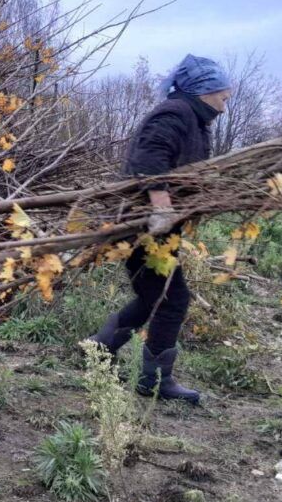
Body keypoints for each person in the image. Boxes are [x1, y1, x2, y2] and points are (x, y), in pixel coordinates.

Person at [87, 54, 232, 405]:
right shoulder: (176, 113)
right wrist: (161, 206)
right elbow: (148, 159)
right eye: (223, 99)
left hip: (158, 227)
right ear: (203, 90)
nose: (225, 108)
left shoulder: (195, 122)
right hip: (143, 225)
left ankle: (100, 348)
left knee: (156, 296)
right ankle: (154, 381)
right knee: (171, 298)